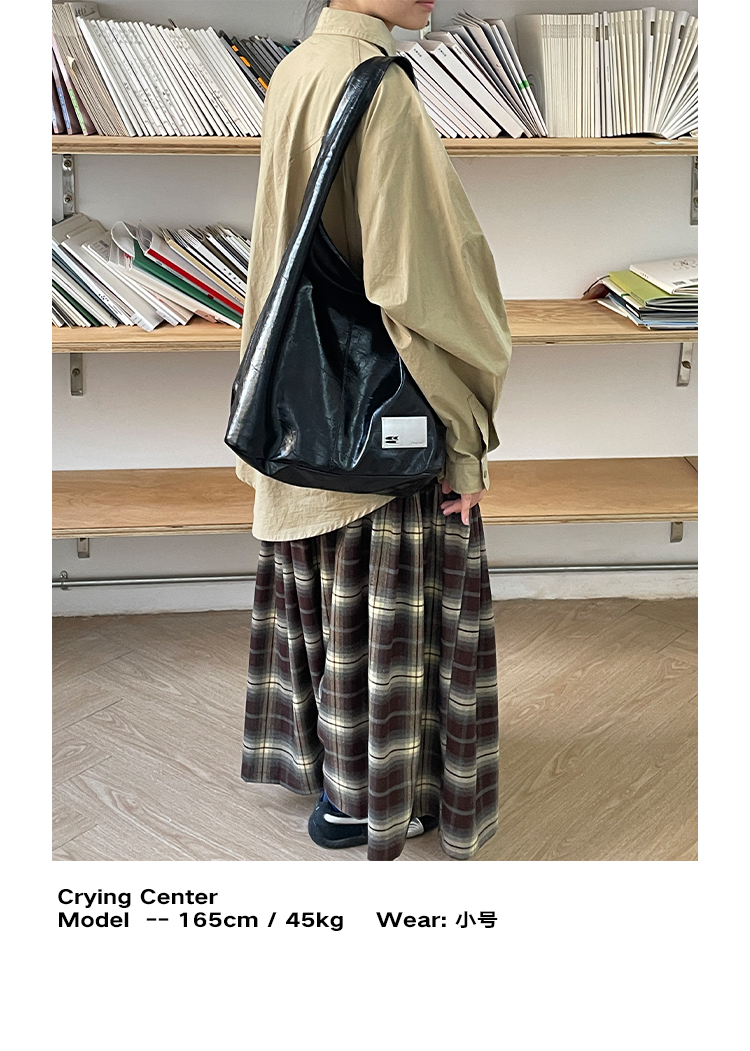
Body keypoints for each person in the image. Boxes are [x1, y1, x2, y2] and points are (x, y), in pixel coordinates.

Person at [236, 0, 512, 861]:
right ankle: (368, 800)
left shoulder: (295, 68)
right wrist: (465, 434)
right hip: (380, 418)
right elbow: (422, 285)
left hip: (304, 404)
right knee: (389, 607)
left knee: (331, 597)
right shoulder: (379, 85)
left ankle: (336, 778)